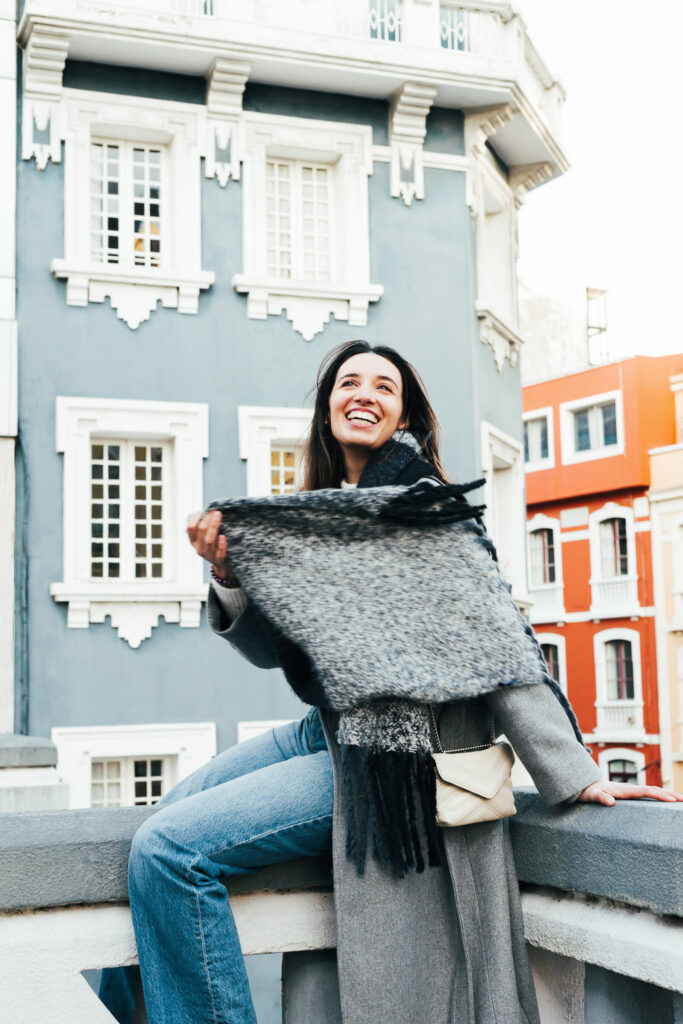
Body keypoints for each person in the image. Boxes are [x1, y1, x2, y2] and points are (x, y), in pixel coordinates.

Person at [100, 340, 683, 1024]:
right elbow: (284, 659)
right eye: (349, 382)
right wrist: (229, 577)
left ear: (403, 414)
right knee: (160, 813)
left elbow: (501, 647)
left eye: (384, 387)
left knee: (169, 852)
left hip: (392, 757)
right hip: (328, 730)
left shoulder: (423, 509)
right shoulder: (322, 519)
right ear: (326, 410)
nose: (364, 394)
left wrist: (576, 772)